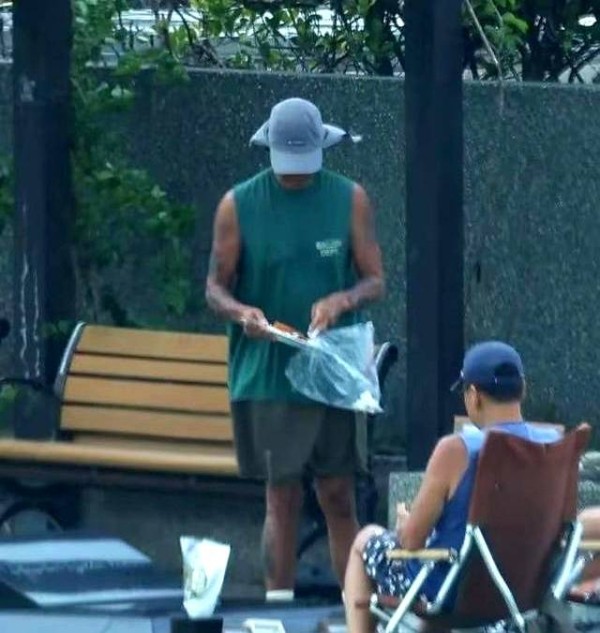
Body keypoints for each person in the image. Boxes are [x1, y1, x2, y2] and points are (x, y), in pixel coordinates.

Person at [205, 97, 385, 600]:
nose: (296, 173)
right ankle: (277, 609)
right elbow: (215, 288)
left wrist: (342, 299)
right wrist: (242, 313)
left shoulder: (350, 198)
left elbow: (375, 280)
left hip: (332, 365)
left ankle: (356, 609)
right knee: (281, 495)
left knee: (338, 492)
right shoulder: (238, 204)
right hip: (269, 367)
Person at [343, 340, 563, 633]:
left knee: (366, 540)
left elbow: (410, 541)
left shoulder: (456, 449)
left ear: (474, 395)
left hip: (451, 593)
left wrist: (406, 523)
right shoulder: (554, 445)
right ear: (523, 389)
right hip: (522, 594)